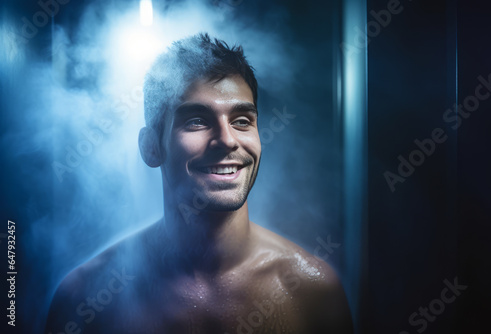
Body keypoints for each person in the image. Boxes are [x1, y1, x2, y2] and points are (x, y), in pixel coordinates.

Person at [45, 33, 353, 334]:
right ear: (151, 147)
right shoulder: (85, 298)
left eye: (242, 120)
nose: (227, 140)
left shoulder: (313, 292)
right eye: (197, 120)